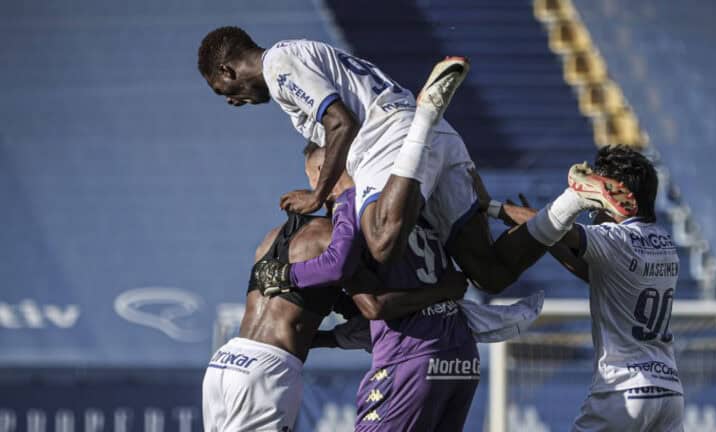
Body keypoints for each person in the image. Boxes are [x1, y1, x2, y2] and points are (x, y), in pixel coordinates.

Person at [197, 27, 595, 293]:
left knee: (382, 240)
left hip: (390, 136)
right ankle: (572, 200)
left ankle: (425, 116)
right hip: (429, 135)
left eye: (222, 91)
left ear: (227, 70)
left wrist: (318, 196)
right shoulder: (301, 58)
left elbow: (341, 123)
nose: (232, 101)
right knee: (490, 272)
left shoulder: (279, 65)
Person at [201, 208, 466, 431]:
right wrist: (442, 291)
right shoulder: (332, 240)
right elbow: (373, 306)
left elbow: (305, 308)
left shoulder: (274, 235)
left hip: (225, 361)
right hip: (268, 370)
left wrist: (333, 335)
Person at [482, 146, 684, 431]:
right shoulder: (665, 244)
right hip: (669, 391)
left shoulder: (616, 239)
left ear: (617, 194)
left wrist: (493, 208)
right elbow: (585, 265)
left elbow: (559, 227)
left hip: (622, 389)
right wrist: (545, 234)